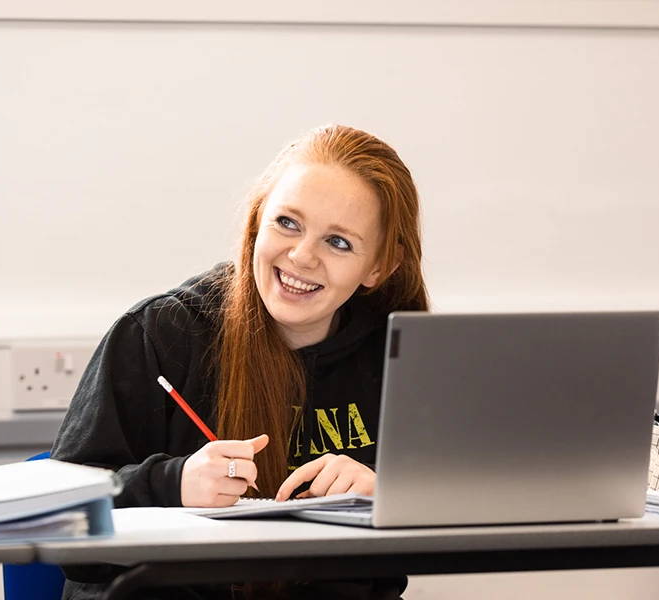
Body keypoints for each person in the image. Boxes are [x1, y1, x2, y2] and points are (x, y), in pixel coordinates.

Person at [51, 123, 429, 599]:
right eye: (287, 222)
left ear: (380, 267)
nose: (302, 256)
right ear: (256, 222)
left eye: (338, 242)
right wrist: (172, 485)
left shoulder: (396, 356)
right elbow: (56, 517)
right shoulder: (159, 334)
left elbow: (448, 521)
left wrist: (384, 497)